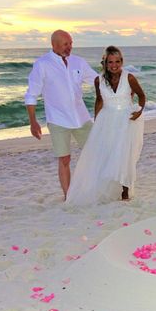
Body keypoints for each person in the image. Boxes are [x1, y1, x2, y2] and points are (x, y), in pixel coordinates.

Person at [65, 45, 145, 205]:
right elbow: (99, 100)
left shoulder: (129, 78)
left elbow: (142, 96)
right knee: (107, 153)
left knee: (123, 154)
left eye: (117, 61)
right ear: (105, 63)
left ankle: (124, 191)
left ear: (121, 62)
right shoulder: (98, 80)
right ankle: (108, 186)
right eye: (110, 62)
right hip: (106, 119)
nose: (114, 65)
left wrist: (139, 111)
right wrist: (96, 121)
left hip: (126, 119)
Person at [25, 30, 98, 200]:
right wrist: (33, 122)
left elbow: (97, 80)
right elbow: (31, 94)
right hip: (58, 120)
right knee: (64, 159)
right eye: (66, 44)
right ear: (54, 45)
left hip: (81, 117)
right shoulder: (42, 64)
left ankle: (94, 188)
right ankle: (69, 197)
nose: (69, 47)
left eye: (71, 43)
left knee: (95, 152)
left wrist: (120, 84)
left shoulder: (78, 62)